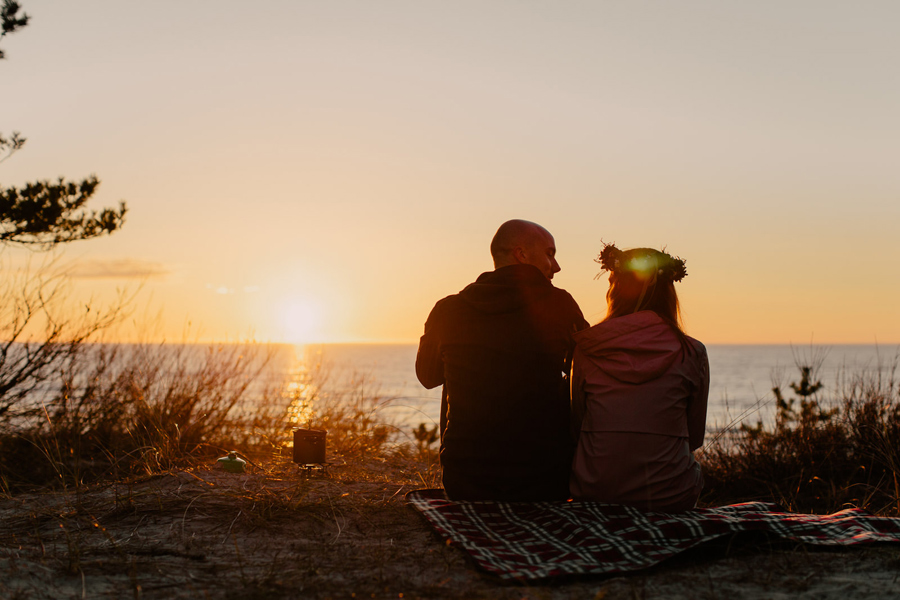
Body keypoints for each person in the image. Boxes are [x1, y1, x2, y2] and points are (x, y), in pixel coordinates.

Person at [416, 220, 589, 501]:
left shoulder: (448, 309)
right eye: (549, 253)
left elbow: (427, 377)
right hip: (545, 482)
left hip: (466, 482)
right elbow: (589, 371)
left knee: (458, 367)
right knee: (574, 377)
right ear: (520, 254)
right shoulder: (560, 304)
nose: (556, 267)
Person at [569, 243, 709, 512]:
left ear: (615, 290)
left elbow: (577, 425)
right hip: (669, 496)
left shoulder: (587, 347)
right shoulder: (691, 352)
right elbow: (695, 436)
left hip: (595, 491)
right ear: (669, 292)